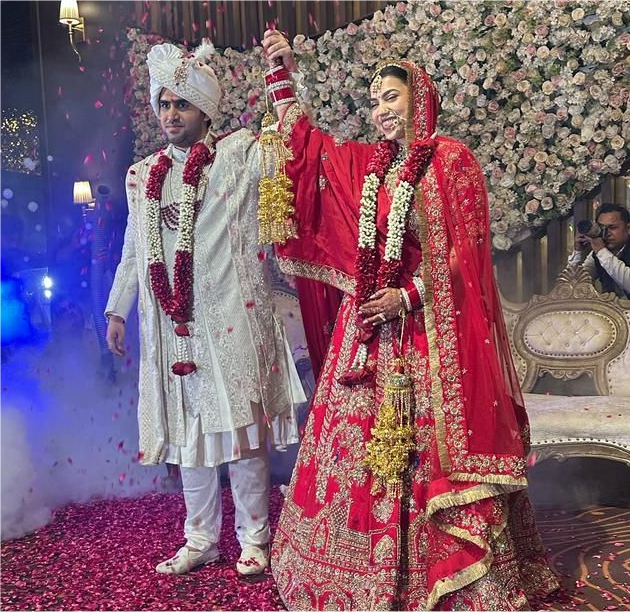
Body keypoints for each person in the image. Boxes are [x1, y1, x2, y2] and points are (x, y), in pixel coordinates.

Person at [260, 31, 558, 610]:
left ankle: (446, 578)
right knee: (355, 452)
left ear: (419, 98)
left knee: (422, 456)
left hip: (424, 334)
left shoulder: (450, 160)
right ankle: (350, 573)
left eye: (390, 97)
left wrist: (409, 296)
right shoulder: (371, 167)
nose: (381, 110)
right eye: (375, 101)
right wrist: (281, 75)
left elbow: (466, 251)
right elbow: (309, 148)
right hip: (366, 330)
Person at [105, 39, 304, 576]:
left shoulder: (237, 156)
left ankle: (255, 539)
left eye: (183, 105)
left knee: (242, 436)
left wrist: (282, 76)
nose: (171, 114)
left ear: (206, 111)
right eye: (165, 104)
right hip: (173, 328)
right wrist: (117, 310)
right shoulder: (142, 175)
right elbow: (133, 250)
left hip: (231, 319)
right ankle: (200, 540)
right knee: (189, 436)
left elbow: (291, 144)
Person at [568, 203, 630, 299]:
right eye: (601, 228)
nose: (606, 233)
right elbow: (572, 286)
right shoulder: (600, 252)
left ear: (629, 228)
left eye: (612, 228)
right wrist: (578, 251)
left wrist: (601, 251)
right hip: (613, 310)